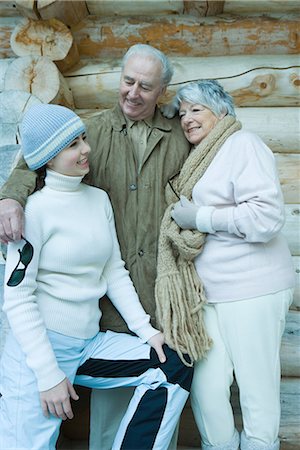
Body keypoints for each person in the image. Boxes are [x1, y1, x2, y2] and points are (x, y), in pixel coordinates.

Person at [0, 44, 190, 448]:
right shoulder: (35, 212)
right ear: (49, 158)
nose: (85, 149)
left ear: (162, 91)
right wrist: (49, 375)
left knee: (170, 364)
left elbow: (111, 270)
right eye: (128, 81)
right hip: (41, 351)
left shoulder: (96, 198)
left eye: (146, 85)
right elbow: (17, 299)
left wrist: (148, 332)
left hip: (89, 343)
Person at [155, 80, 295, 450]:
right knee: (208, 388)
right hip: (209, 293)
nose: (186, 119)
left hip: (254, 287)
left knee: (256, 389)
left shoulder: (242, 146)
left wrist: (200, 217)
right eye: (182, 112)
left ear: (221, 112)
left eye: (196, 110)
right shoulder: (197, 158)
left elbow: (265, 219)